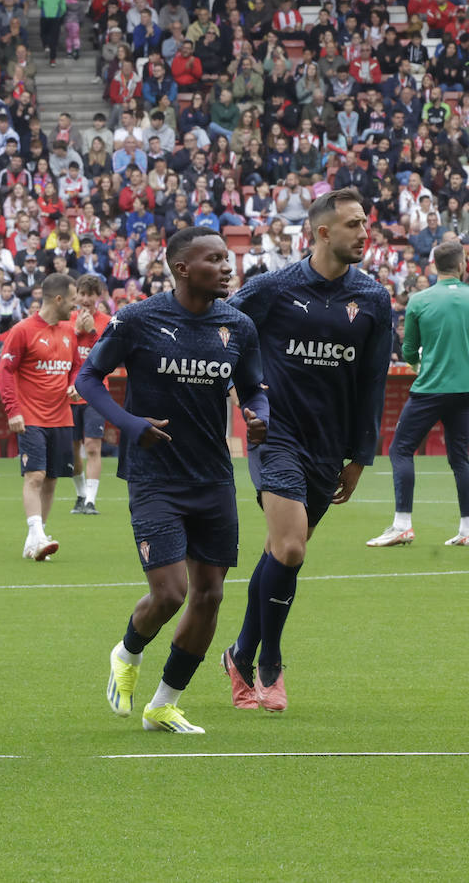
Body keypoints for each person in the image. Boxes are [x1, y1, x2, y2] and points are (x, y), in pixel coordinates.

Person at [77, 226, 268, 733]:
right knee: (170, 593)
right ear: (182, 267)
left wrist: (257, 413)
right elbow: (87, 378)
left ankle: (164, 702)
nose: (227, 267)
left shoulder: (238, 326)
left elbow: (252, 388)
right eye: (213, 259)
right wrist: (130, 424)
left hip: (213, 478)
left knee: (210, 595)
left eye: (228, 258)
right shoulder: (139, 320)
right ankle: (127, 650)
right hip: (155, 476)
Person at [221, 188, 391, 713]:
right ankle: (270, 662)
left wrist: (361, 454)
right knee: (291, 548)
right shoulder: (272, 288)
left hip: (329, 446)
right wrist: (241, 394)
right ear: (322, 232)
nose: (364, 233)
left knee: (281, 553)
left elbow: (373, 382)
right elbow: (217, 331)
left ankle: (239, 653)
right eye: (353, 225)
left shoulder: (375, 299)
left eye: (366, 224)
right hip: (277, 437)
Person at [367, 242, 469, 548]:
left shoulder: (419, 299)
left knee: (400, 450)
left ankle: (402, 524)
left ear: (433, 266)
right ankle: (468, 529)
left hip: (431, 386)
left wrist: (422, 364)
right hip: (465, 388)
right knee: (460, 458)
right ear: (462, 265)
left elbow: (408, 349)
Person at [0, 272, 80, 560]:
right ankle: (36, 534)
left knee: (52, 480)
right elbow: (5, 371)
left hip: (61, 417)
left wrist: (73, 383)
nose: (75, 305)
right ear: (58, 299)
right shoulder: (22, 330)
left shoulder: (70, 331)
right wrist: (13, 410)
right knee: (35, 475)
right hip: (30, 416)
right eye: (72, 300)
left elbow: (78, 367)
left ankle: (38, 537)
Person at [70, 274, 113, 514]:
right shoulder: (68, 320)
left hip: (96, 392)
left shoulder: (107, 321)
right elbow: (62, 356)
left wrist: (93, 331)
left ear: (99, 296)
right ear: (76, 295)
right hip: (70, 393)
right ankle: (80, 495)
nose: (86, 299)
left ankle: (90, 501)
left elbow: (109, 357)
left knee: (93, 446)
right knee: (73, 448)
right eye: (82, 294)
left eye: (91, 294)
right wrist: (76, 332)